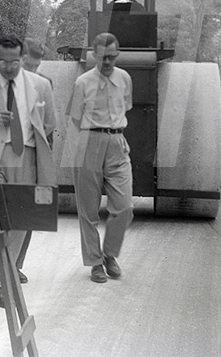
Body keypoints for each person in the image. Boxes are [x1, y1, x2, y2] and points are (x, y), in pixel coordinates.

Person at [0, 36, 56, 308]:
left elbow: (50, 124)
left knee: (18, 221)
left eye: (14, 62)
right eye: (4, 62)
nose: (9, 67)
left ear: (21, 58)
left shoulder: (40, 86)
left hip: (25, 156)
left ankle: (0, 282)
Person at [66, 32, 133, 283]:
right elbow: (74, 117)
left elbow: (126, 106)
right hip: (89, 141)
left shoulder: (125, 78)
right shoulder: (82, 82)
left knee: (124, 206)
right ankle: (94, 262)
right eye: (103, 57)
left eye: (112, 57)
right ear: (94, 55)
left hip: (117, 143)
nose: (108, 62)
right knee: (88, 208)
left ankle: (110, 255)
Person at [15, 37, 52, 283]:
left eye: (36, 67)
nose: (33, 72)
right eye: (28, 66)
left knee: (27, 212)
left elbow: (48, 126)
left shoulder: (44, 85)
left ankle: (15, 264)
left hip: (30, 155)